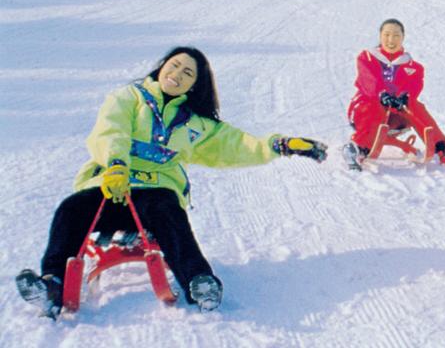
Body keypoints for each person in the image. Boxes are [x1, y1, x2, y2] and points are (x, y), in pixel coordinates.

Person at [15, 47, 328, 318]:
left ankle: (199, 283)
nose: (178, 73)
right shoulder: (130, 97)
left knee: (169, 210)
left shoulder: (197, 125)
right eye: (174, 64)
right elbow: (112, 129)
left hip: (153, 197)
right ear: (162, 66)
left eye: (188, 72)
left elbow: (238, 145)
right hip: (112, 185)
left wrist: (280, 145)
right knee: (71, 209)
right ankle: (51, 285)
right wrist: (116, 164)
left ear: (194, 85)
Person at [342, 19, 445, 170]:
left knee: (414, 105)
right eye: (386, 35)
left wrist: (405, 97)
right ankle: (358, 147)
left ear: (403, 37)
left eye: (396, 35)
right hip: (364, 111)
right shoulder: (367, 58)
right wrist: (382, 94)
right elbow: (368, 80)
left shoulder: (414, 67)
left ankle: (442, 149)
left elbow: (414, 87)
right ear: (380, 36)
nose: (391, 40)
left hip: (395, 118)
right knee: (376, 105)